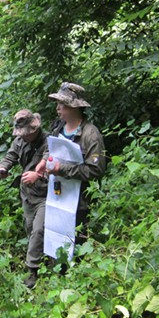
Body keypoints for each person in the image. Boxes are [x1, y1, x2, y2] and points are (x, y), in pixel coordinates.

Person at [36, 82, 107, 248]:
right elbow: (52, 149)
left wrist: (61, 169)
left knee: (77, 242)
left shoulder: (90, 134)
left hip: (80, 201)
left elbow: (96, 170)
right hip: (57, 195)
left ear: (73, 107)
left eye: (62, 104)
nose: (58, 108)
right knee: (56, 239)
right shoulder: (58, 127)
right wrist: (44, 161)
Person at [0, 110, 49, 288]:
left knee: (39, 229)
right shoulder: (19, 141)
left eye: (26, 133)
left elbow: (52, 163)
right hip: (27, 194)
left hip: (46, 194)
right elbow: (10, 157)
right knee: (31, 228)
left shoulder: (49, 141)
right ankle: (43, 259)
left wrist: (37, 175)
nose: (23, 136)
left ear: (34, 129)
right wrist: (1, 170)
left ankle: (32, 270)